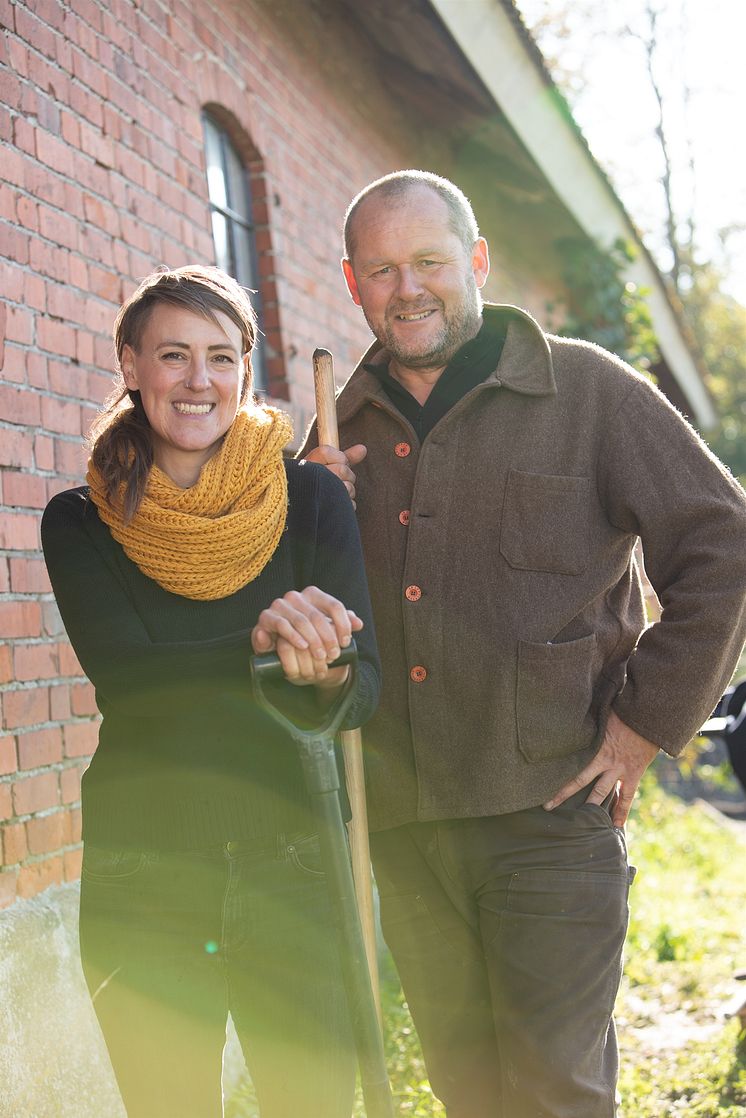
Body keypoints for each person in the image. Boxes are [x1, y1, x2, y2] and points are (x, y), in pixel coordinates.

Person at [300, 169, 746, 1117]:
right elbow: (313, 620)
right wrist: (311, 513)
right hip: (408, 829)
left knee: (552, 1098)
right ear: (351, 283)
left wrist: (643, 726)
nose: (407, 287)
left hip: (552, 816)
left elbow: (724, 543)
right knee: (472, 1098)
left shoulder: (586, 390)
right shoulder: (337, 431)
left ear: (478, 261)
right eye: (381, 270)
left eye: (429, 261)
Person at [41, 265, 380, 1118]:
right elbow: (129, 676)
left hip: (295, 860)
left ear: (246, 367)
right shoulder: (80, 519)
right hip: (144, 864)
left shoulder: (310, 501)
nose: (200, 381)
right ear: (130, 364)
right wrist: (268, 643)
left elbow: (362, 686)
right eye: (174, 355)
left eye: (221, 357)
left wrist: (327, 661)